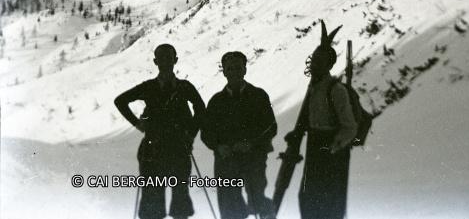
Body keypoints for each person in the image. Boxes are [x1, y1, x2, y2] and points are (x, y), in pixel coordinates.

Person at [114, 44, 206, 219]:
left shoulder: (184, 86)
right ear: (155, 62)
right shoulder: (150, 87)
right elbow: (120, 101)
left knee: (180, 200)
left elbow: (201, 109)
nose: (165, 62)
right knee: (152, 202)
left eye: (168, 58)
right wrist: (137, 123)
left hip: (177, 148)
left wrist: (190, 134)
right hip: (154, 150)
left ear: (175, 60)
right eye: (161, 58)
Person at [286, 29, 357, 219]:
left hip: (332, 151)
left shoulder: (336, 90)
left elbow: (350, 127)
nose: (313, 65)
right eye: (313, 60)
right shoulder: (314, 88)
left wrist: (336, 145)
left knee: (329, 203)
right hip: (315, 147)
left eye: (319, 61)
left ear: (328, 65)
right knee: (308, 199)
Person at [201, 51, 278, 219]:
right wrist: (218, 146)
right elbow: (206, 132)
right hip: (226, 161)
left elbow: (271, 127)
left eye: (237, 67)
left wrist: (251, 143)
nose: (234, 72)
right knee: (229, 208)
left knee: (258, 201)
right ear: (224, 72)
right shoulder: (216, 101)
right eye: (229, 68)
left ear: (245, 70)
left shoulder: (259, 95)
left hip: (253, 157)